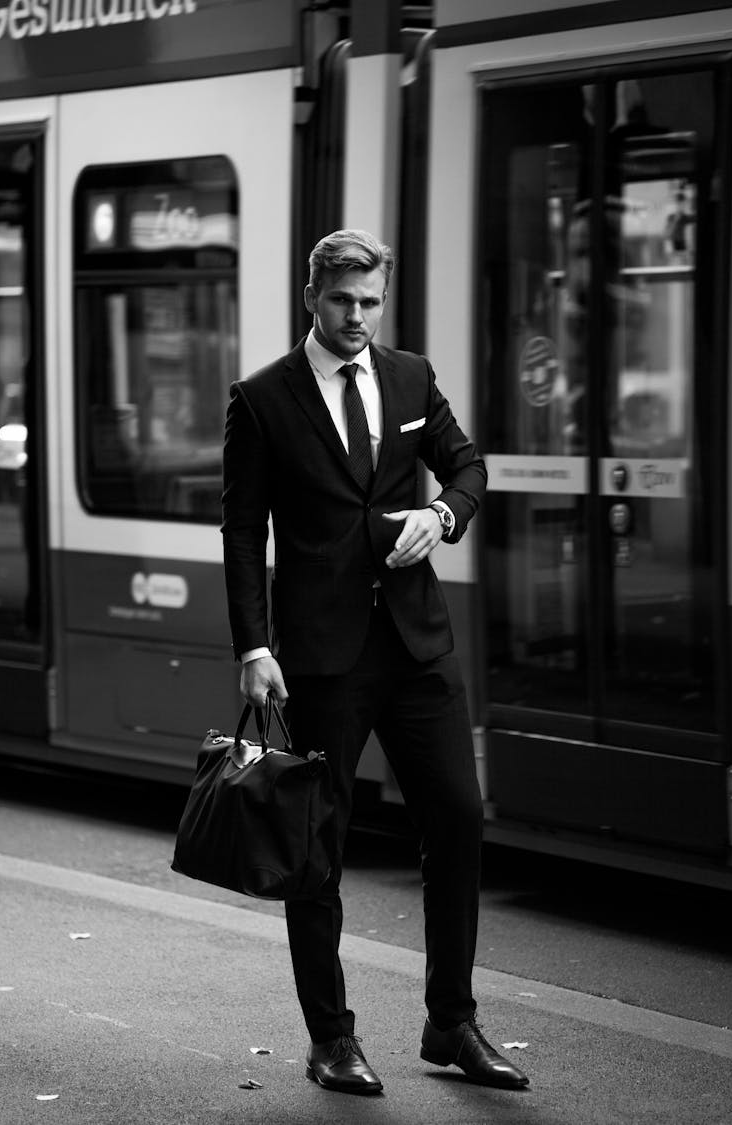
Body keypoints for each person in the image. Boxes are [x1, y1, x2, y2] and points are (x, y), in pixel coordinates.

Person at [221, 229, 529, 1096]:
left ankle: (451, 1021)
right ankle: (331, 1036)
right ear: (312, 296)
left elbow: (465, 466)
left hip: (416, 641)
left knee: (458, 819)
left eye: (371, 303)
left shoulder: (409, 376)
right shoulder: (264, 398)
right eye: (344, 301)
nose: (359, 318)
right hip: (319, 658)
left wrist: (446, 517)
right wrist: (254, 645)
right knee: (319, 849)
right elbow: (243, 531)